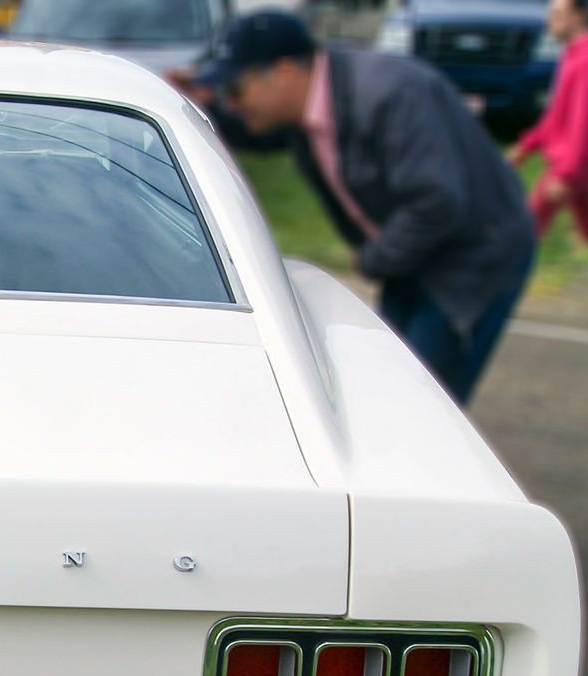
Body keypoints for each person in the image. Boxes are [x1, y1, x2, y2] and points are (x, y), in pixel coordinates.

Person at [169, 10, 535, 405]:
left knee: (423, 400)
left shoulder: (388, 95)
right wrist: (195, 105)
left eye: (235, 89)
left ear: (284, 71)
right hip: (413, 253)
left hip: (470, 259)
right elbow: (255, 133)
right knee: (389, 381)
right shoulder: (312, 100)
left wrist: (373, 260)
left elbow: (437, 201)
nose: (233, 103)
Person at [509, 0, 588, 317]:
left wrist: (567, 174)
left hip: (572, 163)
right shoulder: (574, 56)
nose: (549, 22)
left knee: (527, 225)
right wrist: (526, 146)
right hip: (572, 161)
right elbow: (557, 116)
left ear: (577, 17)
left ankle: (493, 294)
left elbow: (583, 123)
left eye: (556, 15)